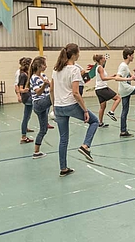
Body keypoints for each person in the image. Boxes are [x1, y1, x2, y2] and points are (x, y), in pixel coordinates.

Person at [50, 43, 99, 174]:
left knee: (63, 139)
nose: (79, 54)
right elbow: (76, 93)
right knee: (94, 121)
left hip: (59, 107)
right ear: (74, 55)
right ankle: (85, 146)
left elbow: (51, 90)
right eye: (78, 52)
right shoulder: (74, 70)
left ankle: (63, 168)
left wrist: (54, 106)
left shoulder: (55, 70)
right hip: (70, 105)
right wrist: (85, 110)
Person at [93, 54, 134, 128]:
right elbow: (103, 78)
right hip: (102, 88)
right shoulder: (100, 68)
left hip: (98, 89)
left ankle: (100, 123)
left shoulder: (99, 67)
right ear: (101, 59)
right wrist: (113, 78)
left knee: (102, 107)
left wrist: (112, 76)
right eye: (103, 58)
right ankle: (111, 112)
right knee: (118, 98)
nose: (105, 59)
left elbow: (102, 77)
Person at [28, 56, 52, 159]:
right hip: (39, 103)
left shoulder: (43, 75)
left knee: (43, 129)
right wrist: (44, 85)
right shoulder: (34, 78)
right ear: (38, 66)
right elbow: (38, 92)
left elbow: (50, 86)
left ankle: (36, 152)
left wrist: (49, 83)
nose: (46, 66)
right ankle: (58, 112)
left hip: (44, 104)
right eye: (44, 64)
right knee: (53, 97)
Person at [17, 57, 34, 144]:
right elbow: (20, 89)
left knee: (27, 116)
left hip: (28, 96)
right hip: (27, 97)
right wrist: (25, 90)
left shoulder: (28, 74)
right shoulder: (23, 75)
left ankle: (24, 136)